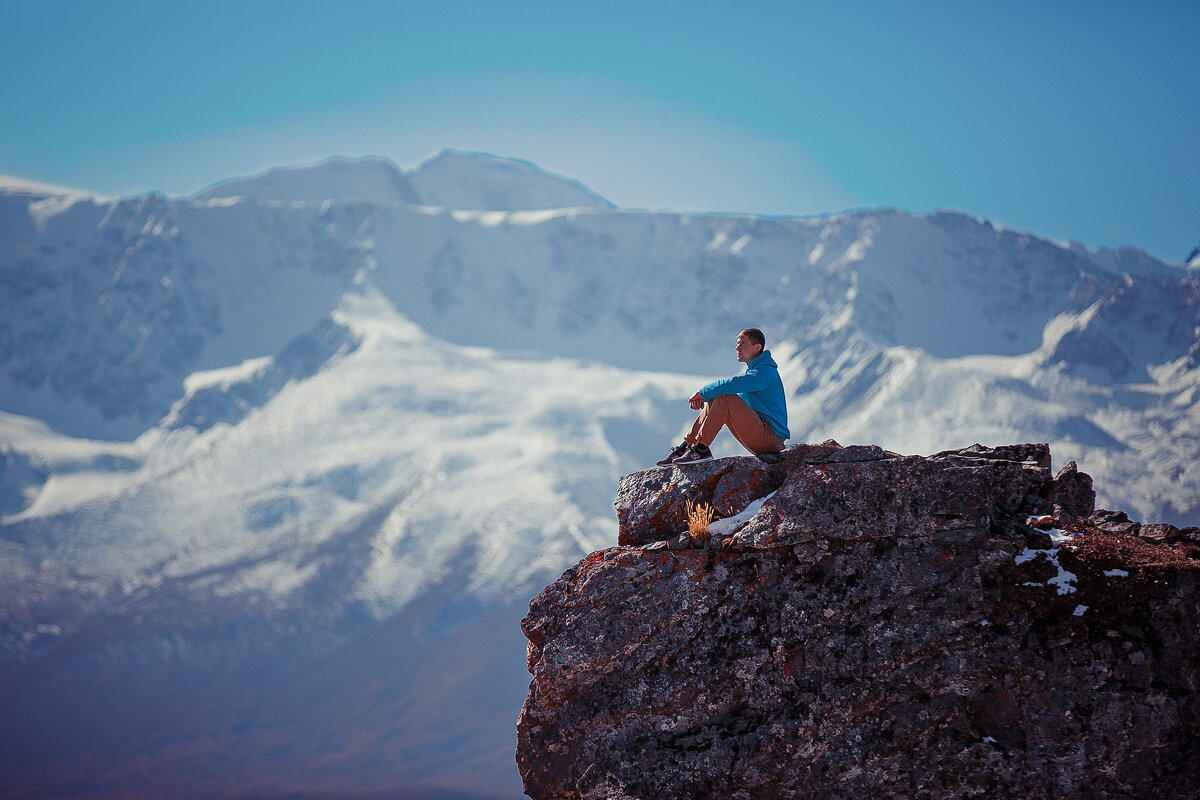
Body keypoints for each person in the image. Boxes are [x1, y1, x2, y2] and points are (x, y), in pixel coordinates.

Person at [656, 328, 790, 466]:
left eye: (742, 343)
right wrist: (708, 398)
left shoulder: (764, 372)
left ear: (757, 347)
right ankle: (686, 447)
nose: (737, 348)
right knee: (718, 397)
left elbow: (731, 385)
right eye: (737, 343)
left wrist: (702, 394)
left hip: (770, 439)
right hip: (762, 435)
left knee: (725, 397)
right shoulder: (757, 371)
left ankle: (701, 450)